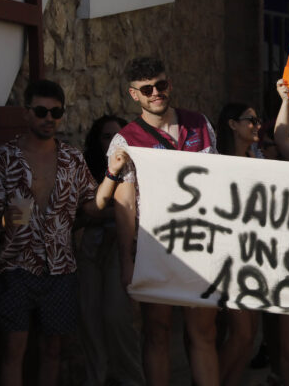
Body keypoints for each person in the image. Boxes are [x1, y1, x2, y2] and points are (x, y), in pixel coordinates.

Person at [0, 80, 128, 386]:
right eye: (41, 111)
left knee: (53, 350)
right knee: (14, 350)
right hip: (15, 266)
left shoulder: (71, 158)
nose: (48, 118)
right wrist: (1, 220)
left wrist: (113, 172)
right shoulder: (4, 158)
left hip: (61, 268)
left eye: (56, 112)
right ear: (27, 113)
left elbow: (92, 207)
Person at [110, 57, 219, 386]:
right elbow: (125, 202)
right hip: (152, 247)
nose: (156, 93)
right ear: (134, 95)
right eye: (147, 89)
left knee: (202, 333)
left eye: (161, 85)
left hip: (201, 243)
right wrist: (126, 262)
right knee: (157, 332)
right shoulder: (125, 139)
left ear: (169, 84)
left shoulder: (199, 124)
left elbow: (218, 181)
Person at [79, 115, 144, 386]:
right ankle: (96, 378)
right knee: (90, 318)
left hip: (122, 249)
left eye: (117, 137)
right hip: (90, 249)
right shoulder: (87, 167)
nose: (113, 143)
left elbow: (137, 211)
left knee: (118, 317)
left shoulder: (136, 169)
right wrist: (112, 214)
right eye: (106, 137)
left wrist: (107, 215)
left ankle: (130, 378)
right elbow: (83, 210)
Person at [214, 102, 265, 385]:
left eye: (258, 121)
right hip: (228, 258)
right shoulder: (216, 161)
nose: (257, 125)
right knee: (241, 334)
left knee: (248, 338)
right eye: (251, 120)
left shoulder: (257, 159)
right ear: (232, 124)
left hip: (256, 257)